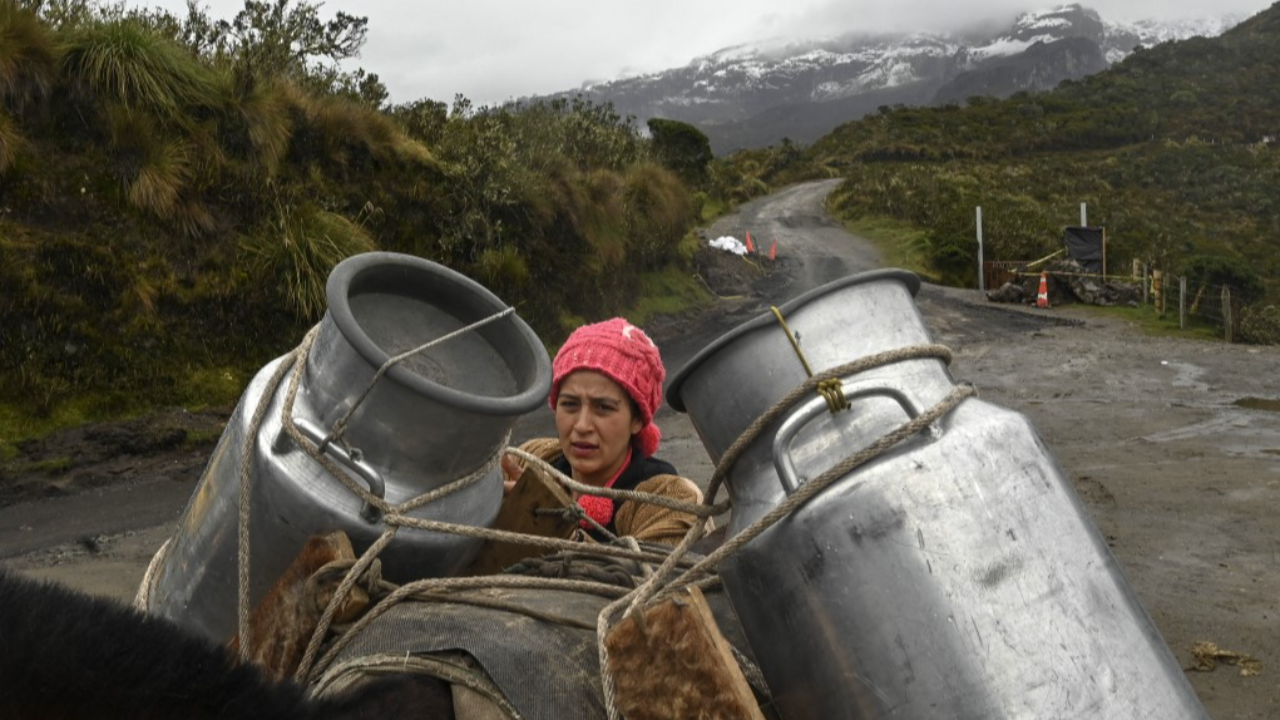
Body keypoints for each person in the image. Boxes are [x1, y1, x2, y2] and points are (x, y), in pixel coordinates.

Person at [501, 317, 706, 546]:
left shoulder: (667, 498)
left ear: (637, 420)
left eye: (603, 408)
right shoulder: (532, 460)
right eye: (570, 404)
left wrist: (553, 523)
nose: (582, 425)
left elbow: (647, 574)